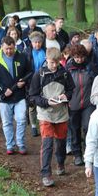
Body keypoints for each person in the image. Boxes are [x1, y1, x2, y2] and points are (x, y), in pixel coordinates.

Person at [29, 48, 75, 187]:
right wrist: (46, 102)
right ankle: (46, 174)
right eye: (51, 63)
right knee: (47, 143)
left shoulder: (65, 73)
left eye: (56, 62)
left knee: (60, 143)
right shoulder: (39, 74)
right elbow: (33, 96)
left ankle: (60, 163)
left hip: (61, 113)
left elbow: (71, 90)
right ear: (46, 60)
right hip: (45, 113)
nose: (54, 65)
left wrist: (65, 96)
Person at [0, 36, 32, 155]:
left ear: (14, 47)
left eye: (11, 48)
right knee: (7, 122)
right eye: (6, 49)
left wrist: (24, 81)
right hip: (4, 98)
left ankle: (21, 144)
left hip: (20, 95)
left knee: (21, 120)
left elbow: (30, 71)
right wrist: (3, 89)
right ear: (2, 47)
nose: (9, 51)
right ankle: (10, 145)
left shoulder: (22, 57)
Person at [66, 44, 95, 166]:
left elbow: (95, 83)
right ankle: (77, 154)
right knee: (74, 129)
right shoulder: (68, 68)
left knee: (88, 127)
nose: (79, 59)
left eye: (82, 57)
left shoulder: (90, 67)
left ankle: (88, 152)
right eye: (77, 57)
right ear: (73, 56)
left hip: (88, 103)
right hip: (73, 103)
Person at [25, 31, 47, 137]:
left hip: (44, 80)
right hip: (31, 80)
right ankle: (34, 126)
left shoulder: (45, 51)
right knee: (32, 104)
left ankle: (43, 124)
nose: (37, 44)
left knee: (43, 102)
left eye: (39, 42)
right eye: (35, 42)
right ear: (31, 42)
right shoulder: (27, 52)